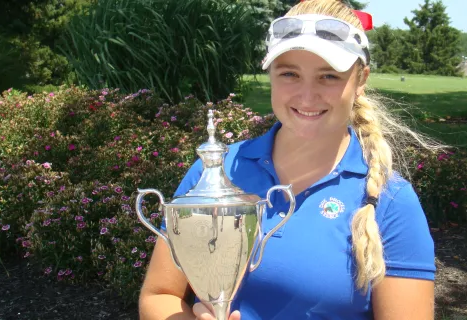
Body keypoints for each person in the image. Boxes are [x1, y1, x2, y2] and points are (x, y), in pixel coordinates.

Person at [139, 0, 442, 319]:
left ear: (361, 79)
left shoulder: (390, 200)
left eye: (328, 76)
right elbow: (161, 294)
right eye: (289, 74)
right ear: (270, 74)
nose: (307, 96)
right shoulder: (217, 168)